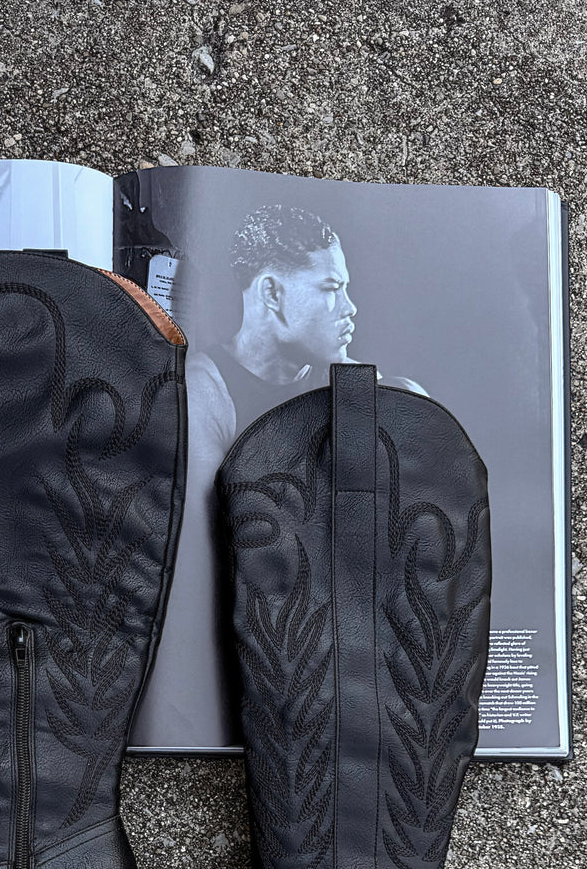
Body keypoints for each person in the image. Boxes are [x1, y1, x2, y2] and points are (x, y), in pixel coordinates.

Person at [131, 205, 423, 750]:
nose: (351, 308)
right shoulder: (203, 392)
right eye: (331, 288)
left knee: (412, 405)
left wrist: (365, 401)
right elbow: (208, 567)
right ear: (271, 293)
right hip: (244, 679)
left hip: (354, 672)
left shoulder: (361, 388)